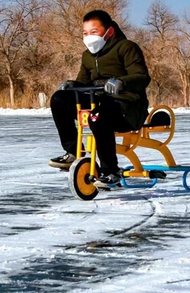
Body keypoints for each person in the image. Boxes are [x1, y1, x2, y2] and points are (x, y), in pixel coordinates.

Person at [49, 10, 152, 184]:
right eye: (85, 33)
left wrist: (121, 82)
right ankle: (74, 152)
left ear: (109, 31)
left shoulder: (126, 48)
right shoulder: (87, 56)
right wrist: (73, 85)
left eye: (94, 32)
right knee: (59, 99)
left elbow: (142, 77)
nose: (89, 37)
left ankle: (110, 170)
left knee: (97, 115)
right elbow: (83, 83)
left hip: (127, 108)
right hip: (98, 102)